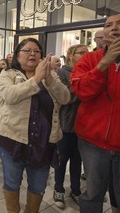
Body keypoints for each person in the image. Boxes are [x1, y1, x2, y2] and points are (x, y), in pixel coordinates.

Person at [0, 37, 70, 213]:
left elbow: (65, 98)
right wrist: (36, 79)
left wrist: (49, 80)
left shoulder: (51, 75)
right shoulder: (8, 74)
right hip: (13, 139)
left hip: (43, 143)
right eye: (27, 50)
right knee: (12, 182)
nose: (32, 54)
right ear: (17, 55)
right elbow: (10, 96)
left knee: (38, 186)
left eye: (36, 51)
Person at [70, 13, 120, 212]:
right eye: (109, 24)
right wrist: (104, 63)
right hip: (92, 141)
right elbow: (80, 90)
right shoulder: (90, 59)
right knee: (93, 193)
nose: (114, 27)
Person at [53, 44, 88, 209]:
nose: (85, 55)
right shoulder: (61, 72)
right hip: (66, 125)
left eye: (87, 53)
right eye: (82, 53)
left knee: (77, 160)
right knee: (61, 160)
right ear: (71, 55)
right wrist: (83, 87)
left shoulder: (87, 72)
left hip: (82, 127)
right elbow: (63, 98)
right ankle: (58, 189)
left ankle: (75, 190)